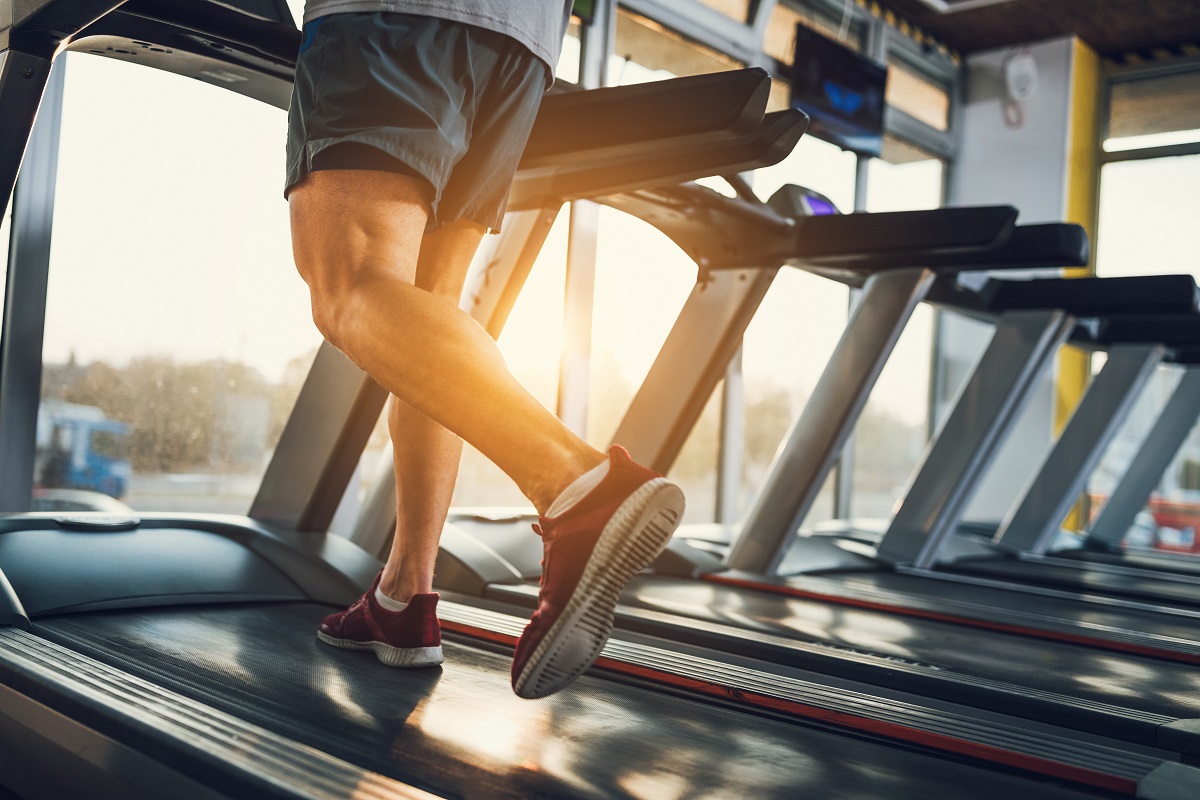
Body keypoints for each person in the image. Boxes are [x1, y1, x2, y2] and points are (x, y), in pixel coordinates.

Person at [284, 2, 685, 699]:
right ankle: (406, 595)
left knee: (351, 285)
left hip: (394, 20)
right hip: (519, 42)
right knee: (429, 304)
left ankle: (576, 484)